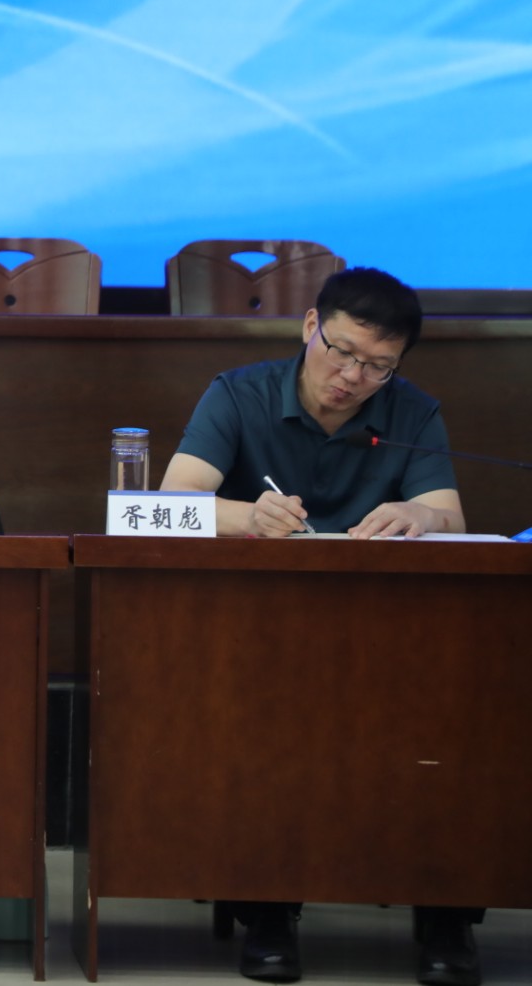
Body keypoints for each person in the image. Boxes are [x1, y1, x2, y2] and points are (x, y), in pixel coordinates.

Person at [158, 267, 480, 986]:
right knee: (262, 720)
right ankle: (269, 909)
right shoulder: (238, 394)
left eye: (378, 366)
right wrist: (246, 516)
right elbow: (173, 502)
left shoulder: (411, 411)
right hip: (259, 627)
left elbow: (450, 518)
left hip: (383, 632)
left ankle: (447, 914)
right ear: (310, 327)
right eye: (342, 353)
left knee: (458, 716)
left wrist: (420, 516)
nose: (353, 377)